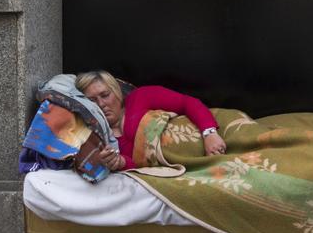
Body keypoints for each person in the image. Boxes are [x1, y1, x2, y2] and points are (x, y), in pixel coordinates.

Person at [77, 70, 226, 171]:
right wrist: (120, 162)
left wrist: (209, 133)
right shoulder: (97, 138)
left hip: (212, 132)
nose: (101, 104)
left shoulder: (141, 97)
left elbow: (187, 103)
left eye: (105, 95)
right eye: (92, 100)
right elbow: (139, 165)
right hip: (186, 160)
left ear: (116, 92)